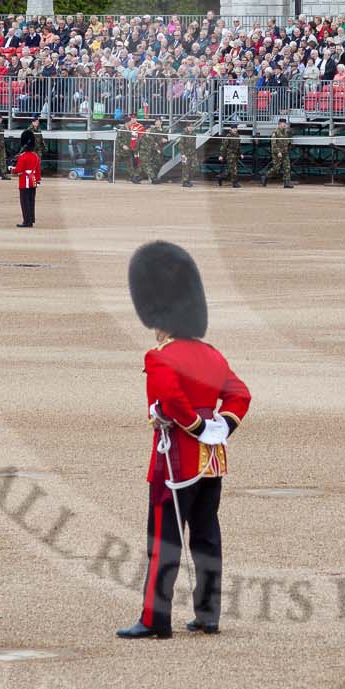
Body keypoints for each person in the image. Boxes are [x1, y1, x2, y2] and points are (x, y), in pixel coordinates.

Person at [117, 241, 251, 641]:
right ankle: (208, 614)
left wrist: (191, 426)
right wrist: (219, 426)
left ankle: (155, 618)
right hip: (212, 460)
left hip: (176, 460)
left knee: (164, 540)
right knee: (207, 535)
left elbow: (169, 403)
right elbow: (239, 394)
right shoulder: (212, 355)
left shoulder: (160, 357)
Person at [15, 128, 42, 228]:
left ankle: (27, 221)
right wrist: (38, 180)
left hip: (24, 182)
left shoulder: (23, 156)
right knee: (31, 200)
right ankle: (31, 219)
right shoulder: (35, 156)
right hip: (33, 181)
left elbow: (19, 169)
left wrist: (11, 168)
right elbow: (38, 170)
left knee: (24, 201)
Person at [266, 118, 294, 189]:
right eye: (283, 123)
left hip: (285, 152)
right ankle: (266, 176)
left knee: (287, 167)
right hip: (277, 153)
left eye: (285, 123)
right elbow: (273, 144)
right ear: (279, 124)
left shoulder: (286, 132)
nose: (284, 125)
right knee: (276, 168)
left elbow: (288, 141)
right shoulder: (275, 132)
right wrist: (278, 152)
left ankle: (287, 182)